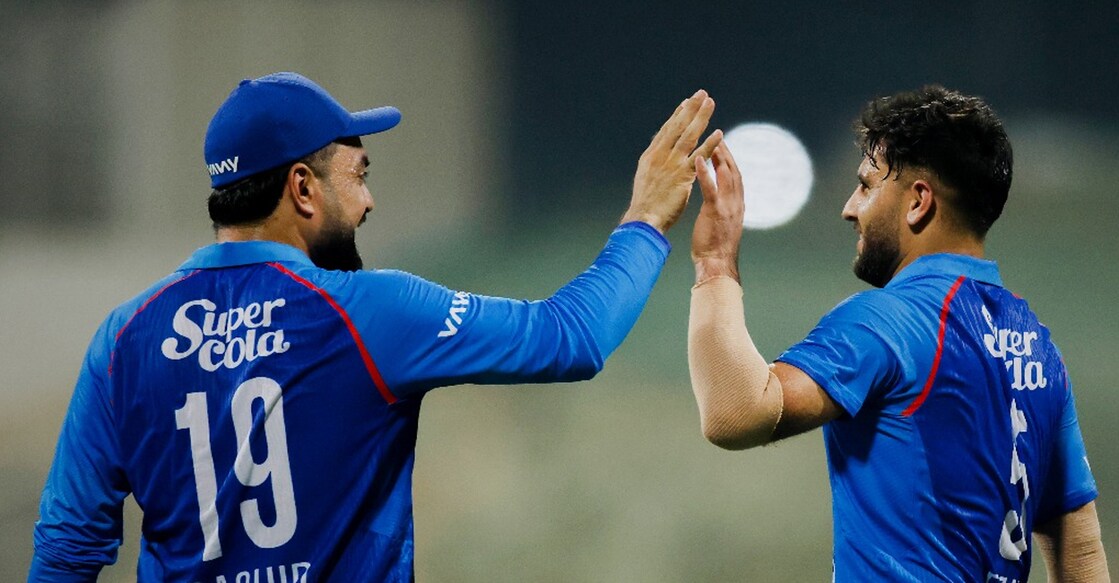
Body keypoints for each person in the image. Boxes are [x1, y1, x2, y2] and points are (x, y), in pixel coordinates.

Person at [30, 72, 722, 582]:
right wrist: (645, 220)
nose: (369, 201)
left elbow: (67, 548)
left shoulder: (124, 338)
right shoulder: (369, 310)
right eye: (357, 174)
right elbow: (572, 336)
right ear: (302, 188)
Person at [686, 86, 1108, 581]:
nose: (849, 208)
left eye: (866, 186)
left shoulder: (890, 320)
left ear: (918, 202)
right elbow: (1079, 549)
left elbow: (735, 414)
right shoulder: (1040, 348)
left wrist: (714, 264)